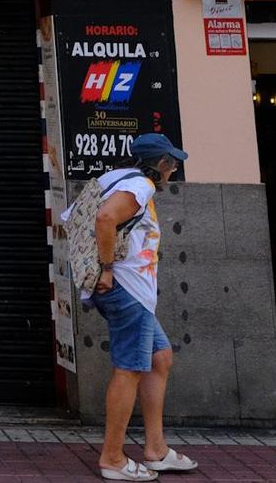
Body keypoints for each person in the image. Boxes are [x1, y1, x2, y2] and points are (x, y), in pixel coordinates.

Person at [89, 133, 197, 481]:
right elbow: (105, 218)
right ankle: (112, 459)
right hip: (126, 289)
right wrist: (106, 270)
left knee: (159, 357)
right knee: (129, 369)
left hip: (133, 292)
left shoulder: (115, 177)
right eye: (172, 162)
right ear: (161, 164)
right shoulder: (141, 187)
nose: (174, 169)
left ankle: (155, 450)